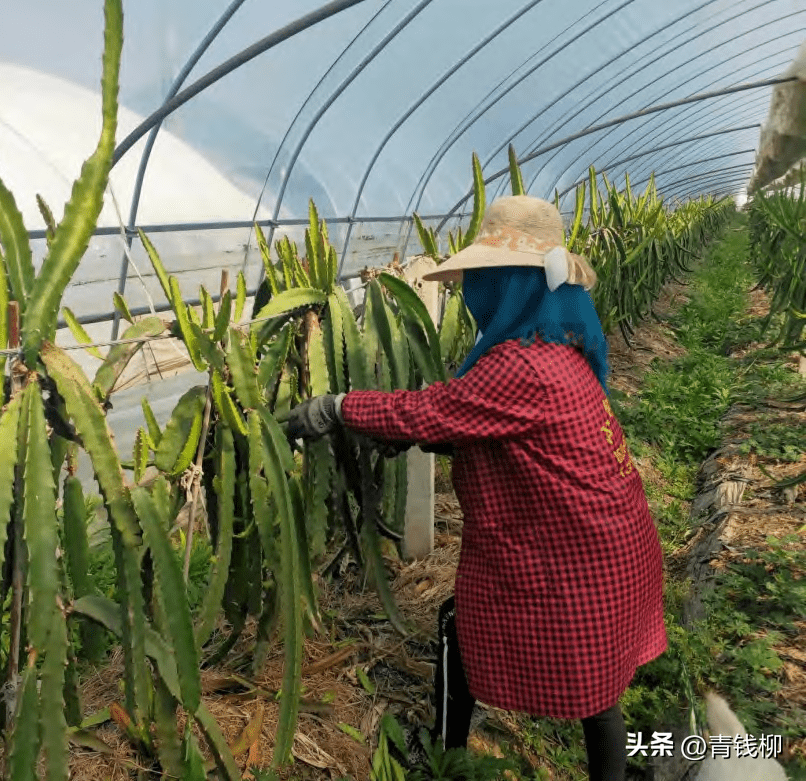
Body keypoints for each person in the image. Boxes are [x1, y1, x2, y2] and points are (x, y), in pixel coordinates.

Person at [286, 195, 667, 781]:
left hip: (573, 554)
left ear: (512, 284)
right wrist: (432, 435)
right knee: (599, 689)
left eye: (483, 279)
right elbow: (495, 428)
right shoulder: (561, 346)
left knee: (459, 632)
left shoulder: (522, 362)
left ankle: (444, 757)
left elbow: (435, 409)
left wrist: (337, 407)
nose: (473, 292)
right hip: (611, 543)